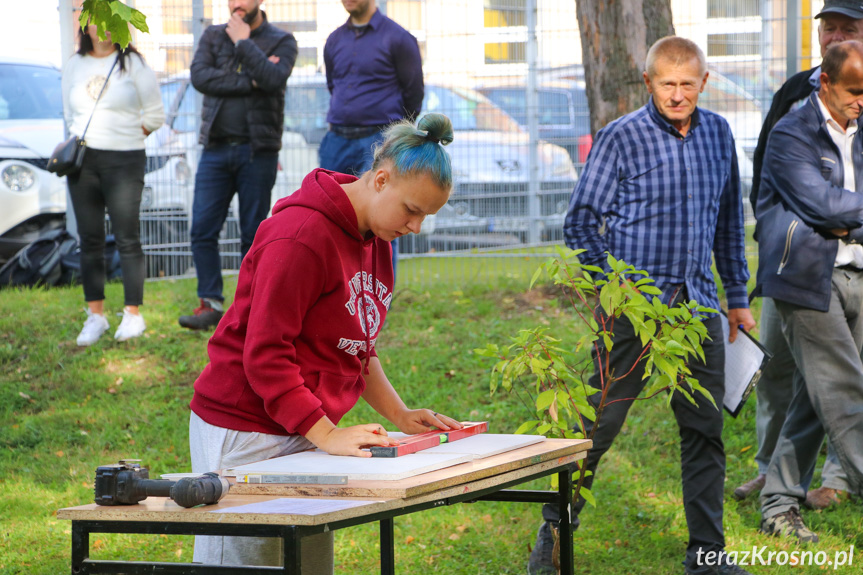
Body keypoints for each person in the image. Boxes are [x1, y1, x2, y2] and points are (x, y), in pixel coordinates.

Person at [187, 113, 459, 572]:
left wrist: (398, 414)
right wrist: (327, 434)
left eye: (426, 217)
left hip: (303, 426)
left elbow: (355, 344)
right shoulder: (299, 236)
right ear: (380, 179)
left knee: (307, 562)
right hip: (246, 424)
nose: (416, 227)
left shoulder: (376, 238)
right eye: (411, 210)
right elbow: (265, 354)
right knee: (244, 563)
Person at [528, 37, 756, 575]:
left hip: (697, 309)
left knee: (704, 431)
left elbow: (727, 226)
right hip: (630, 313)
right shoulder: (620, 138)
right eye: (666, 83)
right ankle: (555, 534)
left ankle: (707, 554)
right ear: (648, 82)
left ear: (704, 82)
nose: (677, 94)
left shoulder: (719, 135)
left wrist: (738, 301)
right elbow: (582, 225)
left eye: (687, 83)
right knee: (598, 427)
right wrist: (619, 293)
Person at [734, 0, 862, 510]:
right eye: (827, 26)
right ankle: (774, 479)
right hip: (796, 262)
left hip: (848, 266)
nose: (833, 35)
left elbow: (838, 201)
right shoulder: (795, 97)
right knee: (785, 376)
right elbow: (780, 177)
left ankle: (833, 480)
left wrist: (840, 217)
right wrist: (782, 229)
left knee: (836, 385)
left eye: (846, 27)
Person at [178, 0, 298, 330]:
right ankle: (211, 304)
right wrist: (250, 80)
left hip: (257, 152)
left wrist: (245, 43)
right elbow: (200, 77)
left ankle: (251, 309)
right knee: (202, 229)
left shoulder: (282, 40)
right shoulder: (213, 36)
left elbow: (274, 78)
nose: (236, 3)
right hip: (215, 150)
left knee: (253, 233)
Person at [62, 24, 165, 346]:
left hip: (125, 160)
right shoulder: (74, 65)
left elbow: (155, 115)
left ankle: (133, 313)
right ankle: (96, 315)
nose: (103, 29)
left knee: (127, 237)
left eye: (111, 22)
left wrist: (127, 137)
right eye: (97, 21)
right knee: (89, 238)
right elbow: (69, 114)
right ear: (86, 25)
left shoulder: (133, 64)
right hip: (84, 162)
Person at [321, 0, 424, 280]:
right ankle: (339, 293)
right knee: (329, 218)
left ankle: (378, 300)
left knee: (384, 220)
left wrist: (392, 139)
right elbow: (334, 85)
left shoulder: (399, 39)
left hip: (378, 141)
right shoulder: (334, 40)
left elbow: (413, 95)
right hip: (337, 140)